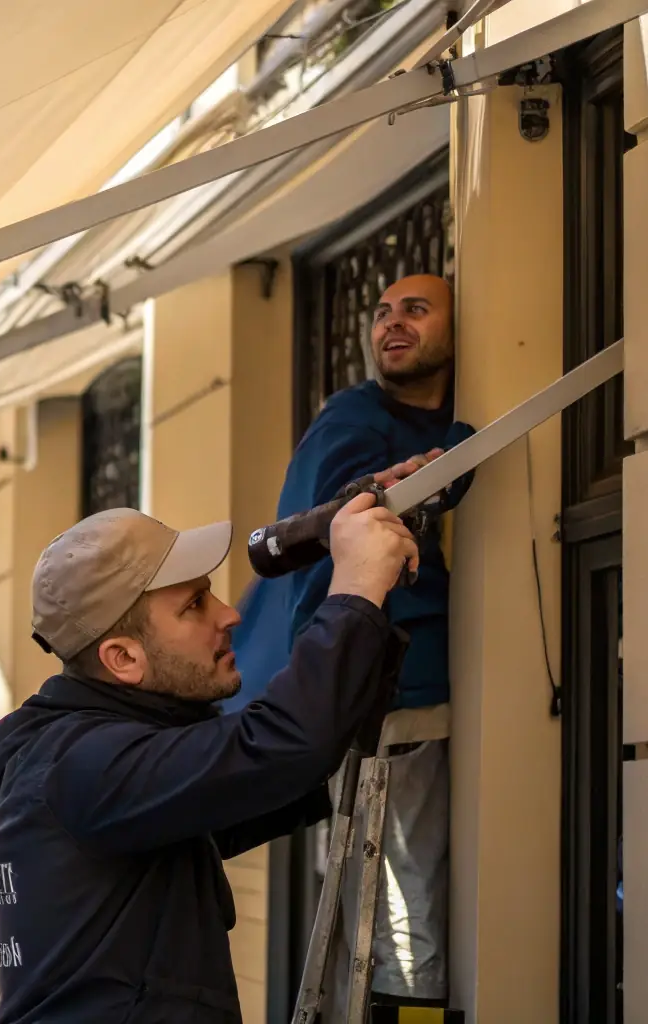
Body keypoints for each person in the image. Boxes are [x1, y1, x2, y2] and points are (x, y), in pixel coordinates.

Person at [0, 486, 426, 1022]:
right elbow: (281, 747)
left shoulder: (90, 763)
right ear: (124, 657)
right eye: (194, 605)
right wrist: (356, 587)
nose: (229, 615)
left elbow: (295, 768)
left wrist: (371, 568)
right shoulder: (83, 767)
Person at [232, 272, 474, 1011]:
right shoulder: (352, 417)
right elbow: (345, 511)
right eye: (380, 312)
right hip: (378, 698)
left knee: (373, 898)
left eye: (415, 309)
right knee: (403, 897)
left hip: (374, 691)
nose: (390, 323)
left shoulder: (426, 421)